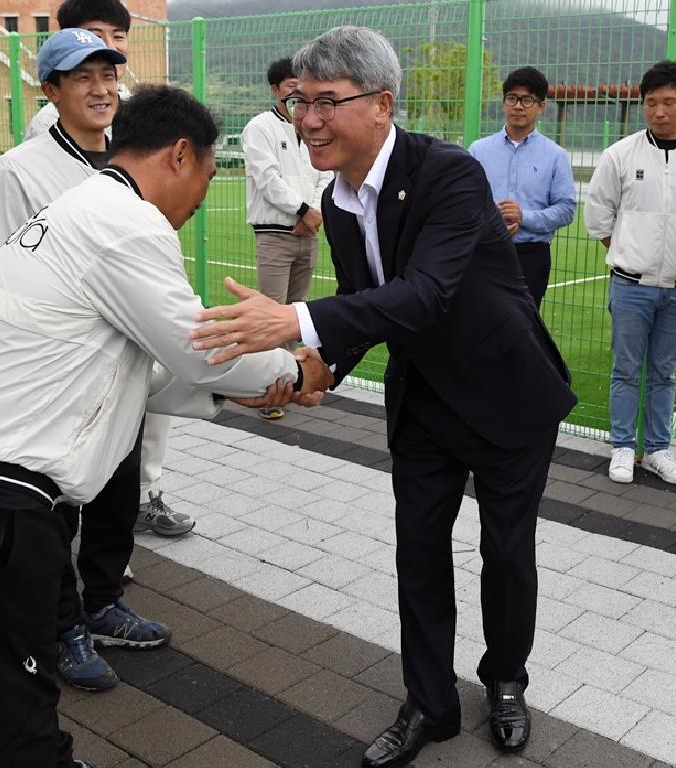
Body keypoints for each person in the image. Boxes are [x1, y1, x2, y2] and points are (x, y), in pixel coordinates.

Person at [0, 84, 331, 767]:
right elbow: (202, 350)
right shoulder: (126, 223)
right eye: (206, 177)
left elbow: (138, 375)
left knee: (14, 677)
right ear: (180, 155)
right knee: (17, 686)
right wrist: (301, 371)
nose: (199, 202)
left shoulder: (85, 207)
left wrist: (241, 396)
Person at [188, 26, 576, 767]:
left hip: (505, 395)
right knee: (419, 554)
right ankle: (429, 704)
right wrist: (317, 364)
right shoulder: (335, 200)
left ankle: (505, 682)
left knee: (507, 554)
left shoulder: (450, 175)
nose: (307, 120)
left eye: (327, 102)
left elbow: (425, 294)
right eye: (301, 102)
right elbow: (372, 298)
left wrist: (295, 318)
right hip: (424, 400)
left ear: (381, 105)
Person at [0, 26, 181, 696]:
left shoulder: (133, 158)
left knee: (116, 491)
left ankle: (102, 603)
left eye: (109, 76)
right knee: (58, 505)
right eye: (82, 78)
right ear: (52, 91)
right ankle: (62, 624)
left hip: (123, 365)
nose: (101, 90)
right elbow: (9, 274)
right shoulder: (21, 169)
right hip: (60, 375)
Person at [23, 0, 196, 544]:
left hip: (133, 321)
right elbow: (24, 255)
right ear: (53, 85)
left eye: (115, 44)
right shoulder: (32, 153)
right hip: (75, 337)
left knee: (133, 444)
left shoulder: (129, 133)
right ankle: (70, 596)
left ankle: (113, 573)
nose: (102, 80)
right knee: (74, 466)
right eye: (90, 42)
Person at [585, 60, 676, 486]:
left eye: (669, 102)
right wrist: (633, 251)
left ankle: (659, 450)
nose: (659, 111)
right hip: (631, 285)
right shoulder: (620, 154)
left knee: (665, 371)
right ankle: (622, 447)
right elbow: (599, 215)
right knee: (627, 368)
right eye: (651, 103)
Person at [242, 57, 334, 419]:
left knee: (297, 315)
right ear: (276, 89)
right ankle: (264, 392)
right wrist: (302, 211)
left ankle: (291, 385)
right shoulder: (260, 127)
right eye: (291, 85)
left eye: (303, 86)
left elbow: (325, 175)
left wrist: (313, 213)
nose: (297, 93)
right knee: (270, 317)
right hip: (275, 235)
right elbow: (267, 180)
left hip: (307, 231)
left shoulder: (313, 128)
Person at [469, 66, 576, 305]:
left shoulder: (555, 155)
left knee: (524, 329)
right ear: (504, 102)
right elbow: (464, 203)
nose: (518, 106)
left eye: (527, 99)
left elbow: (567, 209)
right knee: (479, 324)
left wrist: (524, 216)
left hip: (531, 255)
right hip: (485, 251)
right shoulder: (478, 150)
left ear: (541, 106)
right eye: (512, 98)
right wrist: (490, 222)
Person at [24, 0, 130, 141]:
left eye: (118, 37)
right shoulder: (49, 123)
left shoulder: (134, 109)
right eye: (96, 36)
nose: (110, 46)